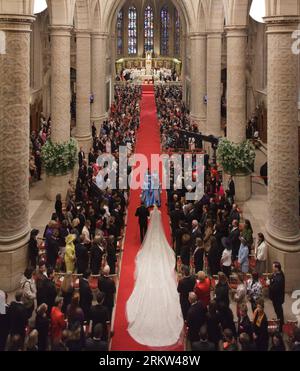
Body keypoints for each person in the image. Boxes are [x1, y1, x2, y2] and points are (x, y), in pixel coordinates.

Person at [269, 262, 285, 332]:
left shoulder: (279, 278)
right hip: (276, 297)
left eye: (273, 267)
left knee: (279, 312)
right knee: (278, 311)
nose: (272, 268)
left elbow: (274, 289)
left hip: (277, 298)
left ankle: (280, 326)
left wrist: (268, 284)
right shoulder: (277, 274)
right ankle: (280, 322)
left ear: (276, 268)